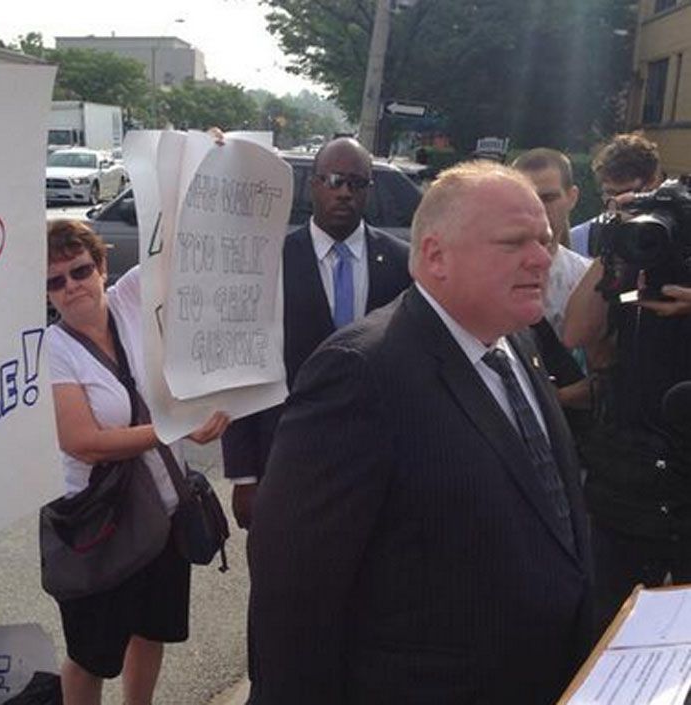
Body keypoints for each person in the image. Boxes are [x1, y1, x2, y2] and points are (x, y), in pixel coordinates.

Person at [249, 161, 593, 704]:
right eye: (514, 242)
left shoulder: (518, 341)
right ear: (435, 256)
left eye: (545, 240)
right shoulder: (360, 374)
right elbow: (295, 593)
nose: (541, 258)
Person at [44, 220, 229, 705]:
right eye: (54, 281)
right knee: (91, 655)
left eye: (79, 270)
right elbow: (83, 442)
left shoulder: (130, 299)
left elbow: (185, 242)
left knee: (151, 630)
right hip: (100, 526)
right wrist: (176, 427)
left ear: (102, 267)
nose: (71, 286)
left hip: (164, 515)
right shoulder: (53, 350)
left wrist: (204, 168)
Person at [221, 136, 411, 530]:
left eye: (356, 183)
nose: (344, 192)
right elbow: (243, 366)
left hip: (376, 461)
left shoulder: (399, 262)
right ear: (313, 184)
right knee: (282, 581)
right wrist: (244, 476)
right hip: (286, 456)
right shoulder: (268, 262)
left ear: (368, 190)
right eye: (334, 180)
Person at [564, 184, 691, 634]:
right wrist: (617, 246)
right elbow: (576, 331)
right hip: (629, 487)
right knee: (607, 636)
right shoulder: (633, 274)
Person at [512, 148, 593, 416]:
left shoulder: (587, 276)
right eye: (526, 196)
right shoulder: (485, 274)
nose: (537, 207)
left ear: (572, 197)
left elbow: (606, 373)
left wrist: (559, 397)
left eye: (548, 197)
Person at [569, 133, 663, 256]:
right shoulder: (579, 239)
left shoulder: (675, 238)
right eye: (610, 193)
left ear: (653, 185)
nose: (618, 202)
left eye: (628, 193)